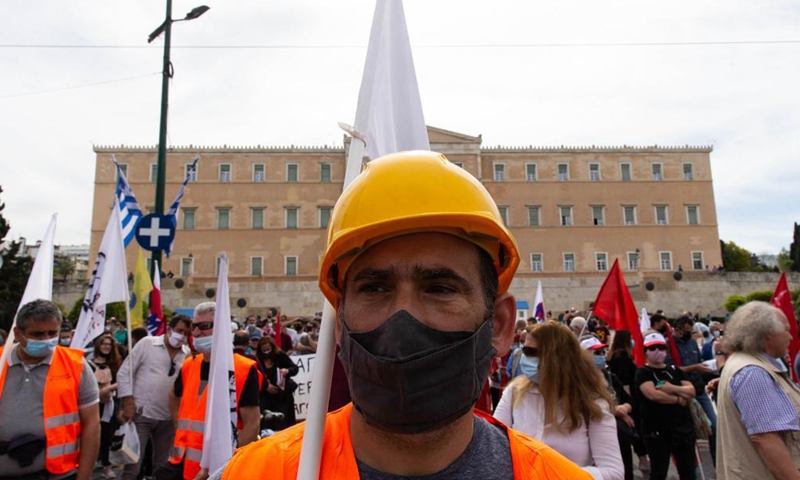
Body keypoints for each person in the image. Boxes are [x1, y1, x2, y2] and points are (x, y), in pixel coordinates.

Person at [213, 151, 592, 479]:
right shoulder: (252, 474)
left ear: (499, 325)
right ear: (339, 325)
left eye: (440, 288)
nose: (403, 318)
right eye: (375, 288)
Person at [494, 323, 624, 479]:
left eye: (529, 351)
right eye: (523, 348)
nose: (523, 356)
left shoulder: (592, 403)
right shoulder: (514, 392)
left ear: (556, 357)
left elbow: (613, 472)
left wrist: (554, 473)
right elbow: (494, 448)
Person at [158, 302, 262, 480]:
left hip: (215, 470)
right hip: (179, 462)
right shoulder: (190, 364)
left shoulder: (243, 369)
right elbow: (174, 395)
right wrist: (179, 426)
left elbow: (252, 425)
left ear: (222, 328)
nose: (197, 332)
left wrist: (222, 469)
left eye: (205, 326)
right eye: (194, 326)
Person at [0, 299, 100, 480]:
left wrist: (84, 475)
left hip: (58, 474)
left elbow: (91, 424)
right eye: (37, 334)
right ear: (18, 333)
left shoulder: (76, 365)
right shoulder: (1, 362)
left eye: (53, 333)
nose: (46, 340)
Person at [716, 301, 800, 480]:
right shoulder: (754, 373)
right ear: (769, 334)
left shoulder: (746, 366)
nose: (791, 337)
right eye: (786, 330)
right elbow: (766, 438)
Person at [117, 314, 191, 480]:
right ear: (169, 329)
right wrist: (127, 402)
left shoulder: (186, 354)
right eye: (180, 331)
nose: (183, 336)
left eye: (187, 333)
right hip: (141, 413)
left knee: (163, 466)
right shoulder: (147, 344)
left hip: (168, 418)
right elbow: (124, 373)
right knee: (133, 466)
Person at [635, 332, 696, 480]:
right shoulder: (643, 372)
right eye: (653, 348)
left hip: (682, 428)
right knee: (659, 472)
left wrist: (671, 388)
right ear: (646, 352)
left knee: (687, 471)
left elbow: (691, 390)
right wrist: (677, 399)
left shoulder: (675, 371)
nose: (658, 352)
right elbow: (653, 395)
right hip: (656, 430)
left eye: (661, 348)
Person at [582, 337, 638, 480]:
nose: (601, 355)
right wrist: (615, 411)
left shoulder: (611, 377)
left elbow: (629, 400)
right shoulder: (579, 382)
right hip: (595, 436)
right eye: (596, 352)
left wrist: (626, 407)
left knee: (624, 471)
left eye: (602, 351)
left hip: (619, 435)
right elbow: (585, 405)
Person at [670, 314, 717, 464]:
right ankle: (691, 466)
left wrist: (704, 367)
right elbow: (673, 370)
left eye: (691, 332)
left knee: (714, 426)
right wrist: (695, 367)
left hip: (699, 388)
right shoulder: (669, 345)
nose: (689, 335)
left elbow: (699, 361)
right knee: (688, 432)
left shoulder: (691, 343)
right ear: (677, 330)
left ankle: (717, 463)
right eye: (686, 332)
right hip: (683, 391)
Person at [606, 330, 649, 476]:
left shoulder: (613, 355)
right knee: (633, 429)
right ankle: (643, 460)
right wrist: (629, 405)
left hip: (621, 401)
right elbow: (624, 382)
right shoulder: (622, 356)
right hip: (625, 399)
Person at [89, 333, 123, 479]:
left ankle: (106, 465)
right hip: (93, 404)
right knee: (92, 435)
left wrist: (110, 388)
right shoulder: (88, 363)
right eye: (104, 344)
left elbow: (122, 382)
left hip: (109, 405)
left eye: (109, 344)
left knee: (107, 436)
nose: (106, 347)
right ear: (98, 345)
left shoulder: (115, 364)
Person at [254, 335, 299, 431]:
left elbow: (295, 368)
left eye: (268, 349)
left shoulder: (280, 356)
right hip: (266, 398)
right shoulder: (258, 359)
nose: (266, 352)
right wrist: (266, 386)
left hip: (282, 397)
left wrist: (287, 370)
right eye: (264, 350)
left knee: (283, 423)